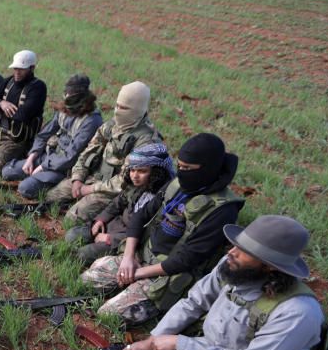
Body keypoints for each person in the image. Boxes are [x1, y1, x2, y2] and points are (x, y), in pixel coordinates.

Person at [118, 215, 325, 350]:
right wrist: (154, 339)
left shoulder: (297, 311)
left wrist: (180, 344)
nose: (231, 252)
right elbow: (194, 302)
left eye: (245, 250)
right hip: (212, 348)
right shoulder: (234, 266)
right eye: (237, 244)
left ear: (270, 266)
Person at [80, 133, 244, 325]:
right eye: (180, 166)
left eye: (188, 168)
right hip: (141, 257)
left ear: (208, 169)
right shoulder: (177, 185)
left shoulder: (222, 210)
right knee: (86, 281)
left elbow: (187, 260)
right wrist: (128, 258)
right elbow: (141, 215)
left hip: (166, 275)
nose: (182, 172)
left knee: (108, 316)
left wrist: (137, 274)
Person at [45, 81, 161, 222]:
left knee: (72, 219)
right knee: (51, 198)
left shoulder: (147, 141)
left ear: (137, 109)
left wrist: (91, 189)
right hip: (94, 177)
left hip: (114, 191)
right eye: (117, 106)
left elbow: (125, 181)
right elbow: (89, 150)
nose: (117, 111)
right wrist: (78, 177)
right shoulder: (112, 124)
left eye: (124, 108)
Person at [64, 142, 174, 265]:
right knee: (71, 235)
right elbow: (117, 203)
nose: (134, 176)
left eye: (142, 171)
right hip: (112, 225)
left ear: (156, 173)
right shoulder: (136, 185)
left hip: (125, 241)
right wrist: (100, 220)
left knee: (82, 255)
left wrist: (111, 238)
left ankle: (55, 254)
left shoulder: (163, 198)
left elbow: (146, 233)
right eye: (132, 170)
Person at [0, 74, 102, 199]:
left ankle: (51, 183)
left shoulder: (91, 120)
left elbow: (71, 155)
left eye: (72, 95)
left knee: (25, 189)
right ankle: (37, 177)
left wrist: (43, 167)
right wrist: (32, 157)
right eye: (67, 93)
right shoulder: (63, 109)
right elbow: (43, 135)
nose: (68, 97)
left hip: (65, 167)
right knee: (7, 171)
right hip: (48, 156)